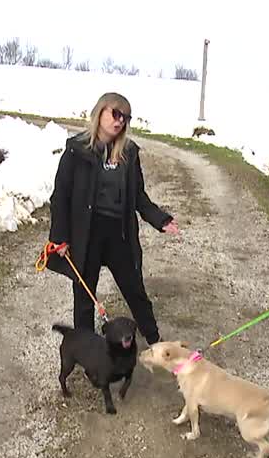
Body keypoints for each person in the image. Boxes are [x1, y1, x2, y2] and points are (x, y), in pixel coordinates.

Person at [48, 92, 181, 344]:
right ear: (100, 112)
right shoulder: (77, 150)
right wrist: (60, 237)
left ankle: (155, 341)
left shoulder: (128, 153)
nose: (120, 121)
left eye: (125, 118)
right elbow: (60, 196)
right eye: (116, 114)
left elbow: (138, 195)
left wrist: (160, 219)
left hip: (119, 233)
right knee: (84, 295)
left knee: (134, 290)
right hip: (87, 234)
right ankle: (87, 348)